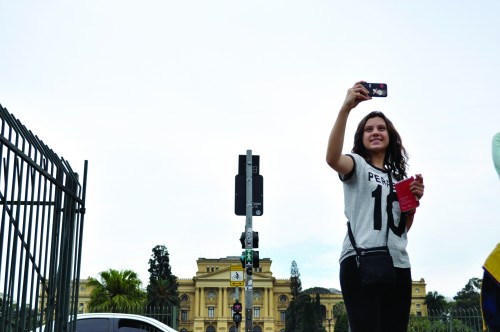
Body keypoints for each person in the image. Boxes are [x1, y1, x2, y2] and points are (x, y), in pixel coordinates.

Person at [326, 81, 425, 332]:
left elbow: (402, 229)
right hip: (360, 261)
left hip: (398, 264)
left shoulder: (398, 181)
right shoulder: (356, 165)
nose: (375, 132)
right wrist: (345, 109)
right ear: (361, 137)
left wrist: (413, 203)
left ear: (390, 136)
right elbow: (332, 158)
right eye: (369, 129)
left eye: (381, 128)